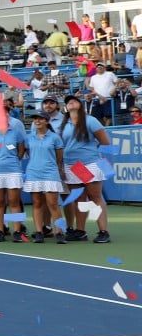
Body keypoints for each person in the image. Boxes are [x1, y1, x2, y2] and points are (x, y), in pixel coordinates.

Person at [58, 95, 111, 242]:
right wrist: (61, 166)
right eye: (68, 102)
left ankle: (103, 231)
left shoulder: (90, 120)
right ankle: (80, 231)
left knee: (95, 197)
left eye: (73, 101)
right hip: (72, 165)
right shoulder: (64, 124)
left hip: (89, 164)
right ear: (66, 107)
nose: (71, 103)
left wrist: (90, 153)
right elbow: (61, 147)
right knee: (80, 198)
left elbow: (105, 141)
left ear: (80, 105)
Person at [0, 116, 27, 243]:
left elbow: (21, 150)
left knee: (14, 202)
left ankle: (17, 231)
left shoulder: (16, 132)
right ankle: (0, 231)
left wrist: (13, 161)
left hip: (13, 171)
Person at [23, 111, 65, 242]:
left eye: (40, 119)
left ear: (46, 121)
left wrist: (55, 168)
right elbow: (30, 153)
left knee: (53, 204)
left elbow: (59, 157)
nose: (37, 121)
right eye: (35, 119)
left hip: (50, 173)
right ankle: (39, 231)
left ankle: (59, 232)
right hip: (33, 173)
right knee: (37, 203)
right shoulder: (29, 138)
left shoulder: (55, 138)